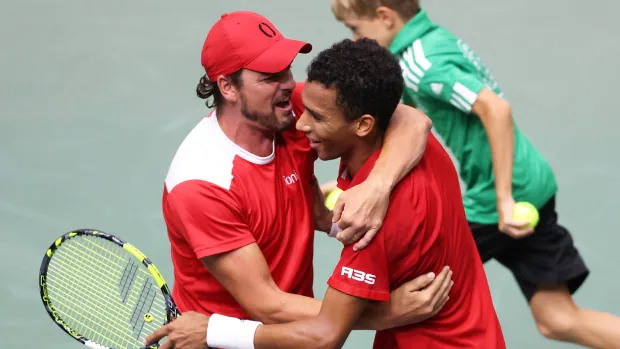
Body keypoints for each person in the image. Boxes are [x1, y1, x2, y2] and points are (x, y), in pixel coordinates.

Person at [146, 37, 505, 349]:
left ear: (363, 124)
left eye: (287, 71)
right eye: (271, 76)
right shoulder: (206, 182)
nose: (299, 118)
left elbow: (324, 334)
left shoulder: (372, 224)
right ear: (227, 87)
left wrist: (213, 329)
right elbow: (408, 118)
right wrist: (346, 211)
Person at [326, 1, 620, 348]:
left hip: (503, 196)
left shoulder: (423, 64)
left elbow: (496, 109)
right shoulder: (434, 41)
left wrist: (504, 199)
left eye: (356, 29)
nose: (357, 40)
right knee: (557, 318)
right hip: (531, 184)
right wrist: (356, 183)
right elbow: (401, 127)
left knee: (410, 283)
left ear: (385, 17)